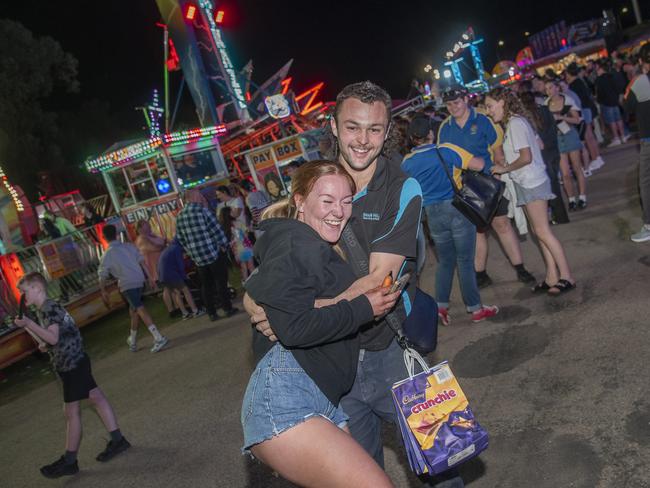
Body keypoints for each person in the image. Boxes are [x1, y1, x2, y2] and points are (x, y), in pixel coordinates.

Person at [247, 81, 465, 488]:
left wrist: (296, 316)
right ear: (333, 126)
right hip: (333, 361)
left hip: (393, 351)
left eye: (374, 129)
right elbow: (272, 267)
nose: (363, 140)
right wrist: (254, 303)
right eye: (352, 127)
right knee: (359, 478)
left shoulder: (403, 188)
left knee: (443, 462)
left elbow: (378, 282)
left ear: (387, 132)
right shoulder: (316, 183)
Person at [242, 160, 398, 487]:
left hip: (319, 394)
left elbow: (261, 292)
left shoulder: (302, 241)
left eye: (346, 201)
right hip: (288, 396)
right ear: (299, 201)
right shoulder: (297, 241)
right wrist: (362, 308)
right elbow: (294, 327)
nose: (339, 211)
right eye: (327, 201)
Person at [14, 272, 130, 479]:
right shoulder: (48, 307)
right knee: (96, 398)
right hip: (76, 361)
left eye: (24, 291)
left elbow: (52, 336)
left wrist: (29, 326)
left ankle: (70, 461)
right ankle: (118, 440)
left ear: (37, 288)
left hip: (72, 365)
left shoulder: (48, 308)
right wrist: (41, 340)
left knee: (71, 411)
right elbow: (52, 338)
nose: (22, 295)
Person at [402, 115, 499, 324]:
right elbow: (479, 165)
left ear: (412, 138)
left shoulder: (407, 162)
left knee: (445, 261)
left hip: (432, 215)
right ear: (430, 133)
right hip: (457, 209)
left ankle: (441, 308)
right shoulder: (446, 149)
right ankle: (475, 309)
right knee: (465, 261)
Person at [438, 86, 535, 287]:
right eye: (449, 104)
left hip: (488, 181)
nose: (453, 107)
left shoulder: (483, 120)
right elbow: (444, 159)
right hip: (464, 186)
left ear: (466, 99)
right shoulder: (445, 128)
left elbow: (497, 150)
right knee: (478, 230)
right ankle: (481, 273)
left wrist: (500, 177)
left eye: (456, 102)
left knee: (502, 225)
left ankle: (520, 268)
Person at [486, 88, 576, 295]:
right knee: (538, 233)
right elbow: (537, 146)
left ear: (502, 102)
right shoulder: (516, 122)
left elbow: (526, 157)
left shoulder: (515, 124)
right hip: (528, 182)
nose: (489, 111)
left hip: (532, 182)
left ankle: (566, 275)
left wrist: (504, 168)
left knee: (543, 232)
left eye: (490, 106)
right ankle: (552, 276)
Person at [98, 224, 169, 353]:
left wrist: (103, 290)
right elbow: (142, 262)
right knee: (134, 310)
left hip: (126, 283)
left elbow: (102, 275)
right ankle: (133, 339)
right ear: (115, 234)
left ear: (104, 237)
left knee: (139, 308)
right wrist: (150, 278)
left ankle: (158, 337)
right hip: (139, 280)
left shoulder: (107, 255)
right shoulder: (129, 246)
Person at [176, 189, 237, 321]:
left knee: (206, 285)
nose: (200, 197)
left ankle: (212, 313)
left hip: (198, 258)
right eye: (198, 195)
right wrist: (224, 245)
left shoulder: (180, 216)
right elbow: (217, 231)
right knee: (221, 281)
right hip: (213, 252)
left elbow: (180, 238)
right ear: (192, 197)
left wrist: (191, 252)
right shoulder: (203, 211)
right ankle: (227, 308)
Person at [519, 91, 570, 225]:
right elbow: (553, 129)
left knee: (550, 186)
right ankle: (560, 216)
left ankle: (557, 216)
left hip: (542, 154)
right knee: (554, 185)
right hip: (553, 151)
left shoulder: (526, 117)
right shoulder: (545, 110)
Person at [544, 78, 588, 211]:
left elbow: (577, 119)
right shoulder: (545, 105)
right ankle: (571, 200)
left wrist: (562, 117)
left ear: (557, 88)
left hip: (570, 135)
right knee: (565, 173)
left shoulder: (567, 100)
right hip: (557, 139)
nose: (549, 91)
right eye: (546, 89)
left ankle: (582, 197)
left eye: (551, 87)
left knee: (576, 167)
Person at [624, 43, 650, 243]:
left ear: (641, 61)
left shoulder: (640, 81)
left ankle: (649, 225)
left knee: (646, 182)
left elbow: (627, 106)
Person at [565, 63, 605, 172]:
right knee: (590, 136)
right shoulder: (580, 81)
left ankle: (595, 158)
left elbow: (577, 101)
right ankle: (597, 157)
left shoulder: (573, 84)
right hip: (587, 109)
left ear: (568, 73)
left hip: (583, 110)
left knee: (588, 137)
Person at [157, 237, 204, 319]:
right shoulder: (176, 248)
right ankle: (195, 311)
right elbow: (181, 265)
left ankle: (185, 313)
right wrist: (185, 277)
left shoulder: (168, 249)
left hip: (162, 276)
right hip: (171, 274)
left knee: (177, 293)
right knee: (186, 290)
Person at [595, 61, 628, 147]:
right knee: (618, 119)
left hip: (606, 103)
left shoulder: (599, 80)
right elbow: (617, 88)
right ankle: (623, 136)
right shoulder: (611, 76)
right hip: (615, 101)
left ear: (602, 70)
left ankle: (616, 138)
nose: (597, 71)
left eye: (598, 69)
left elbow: (600, 92)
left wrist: (599, 100)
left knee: (612, 121)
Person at [218, 206, 255, 282]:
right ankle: (256, 282)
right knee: (251, 266)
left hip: (236, 252)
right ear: (229, 214)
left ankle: (247, 283)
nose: (234, 211)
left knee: (243, 268)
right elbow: (246, 235)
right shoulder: (238, 222)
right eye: (232, 210)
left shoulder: (224, 228)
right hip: (246, 248)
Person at [134, 219, 166, 290]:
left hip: (163, 267)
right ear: (139, 229)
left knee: (170, 290)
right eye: (146, 224)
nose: (149, 225)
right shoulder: (142, 239)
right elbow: (155, 248)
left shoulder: (152, 235)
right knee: (168, 290)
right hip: (157, 271)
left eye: (148, 224)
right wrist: (165, 244)